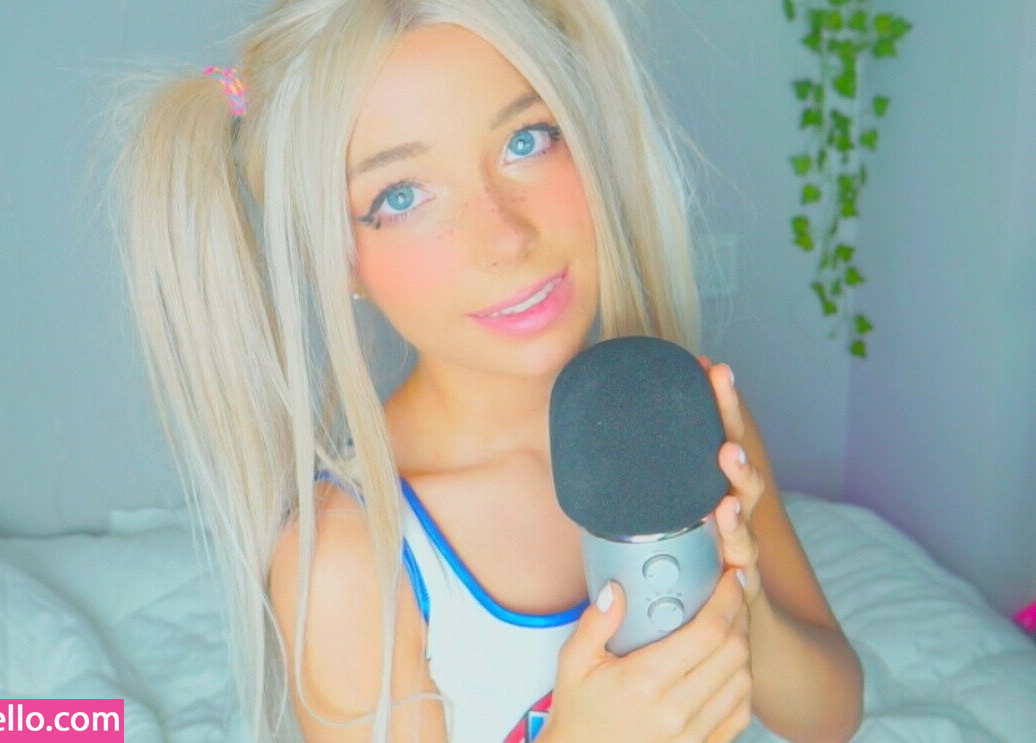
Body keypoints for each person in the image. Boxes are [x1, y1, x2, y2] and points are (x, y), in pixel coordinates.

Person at [107, 1, 862, 741]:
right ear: (338, 261)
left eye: (527, 140)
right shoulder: (352, 558)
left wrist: (739, 594)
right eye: (402, 196)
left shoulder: (686, 416)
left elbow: (830, 717)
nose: (504, 237)